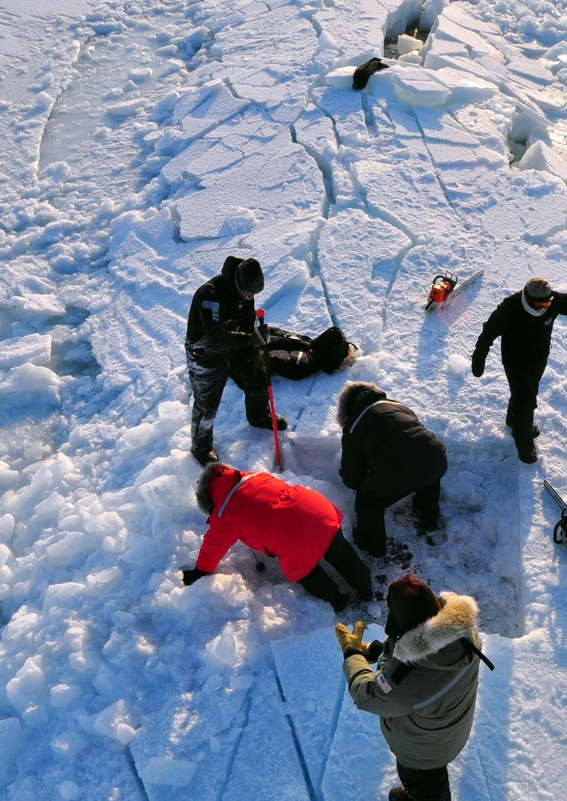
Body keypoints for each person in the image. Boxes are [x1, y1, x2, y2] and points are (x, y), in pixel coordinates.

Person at [335, 574, 485, 801]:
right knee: (433, 774)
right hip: (449, 727)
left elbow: (368, 696)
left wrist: (352, 654)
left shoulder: (407, 680)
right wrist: (383, 654)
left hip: (423, 751)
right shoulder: (462, 628)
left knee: (424, 781)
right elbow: (421, 652)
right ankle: (429, 794)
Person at [181, 463, 372, 611]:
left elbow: (213, 546)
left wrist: (200, 570)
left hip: (294, 541)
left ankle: (336, 600)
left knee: (308, 574)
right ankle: (365, 587)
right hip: (320, 512)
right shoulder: (254, 476)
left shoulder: (223, 514)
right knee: (341, 554)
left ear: (208, 502)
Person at [470, 276, 567, 463]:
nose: (544, 307)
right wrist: (478, 358)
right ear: (529, 299)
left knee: (529, 391)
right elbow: (488, 333)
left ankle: (513, 420)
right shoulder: (510, 308)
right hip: (515, 360)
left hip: (539, 357)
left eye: (547, 304)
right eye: (540, 304)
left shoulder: (552, 301)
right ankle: (523, 440)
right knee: (525, 398)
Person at [185, 255, 287, 466]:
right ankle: (201, 448)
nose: (251, 297)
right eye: (248, 293)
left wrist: (253, 353)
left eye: (255, 293)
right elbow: (215, 335)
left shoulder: (246, 292)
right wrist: (250, 339)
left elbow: (248, 323)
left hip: (235, 345)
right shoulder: (210, 296)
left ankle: (258, 416)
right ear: (237, 283)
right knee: (206, 404)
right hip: (204, 352)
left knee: (257, 376)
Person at [337, 382, 448, 557]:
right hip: (436, 456)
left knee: (367, 500)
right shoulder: (397, 405)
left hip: (397, 472)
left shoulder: (353, 426)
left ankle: (373, 545)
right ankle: (428, 517)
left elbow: (352, 478)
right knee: (427, 472)